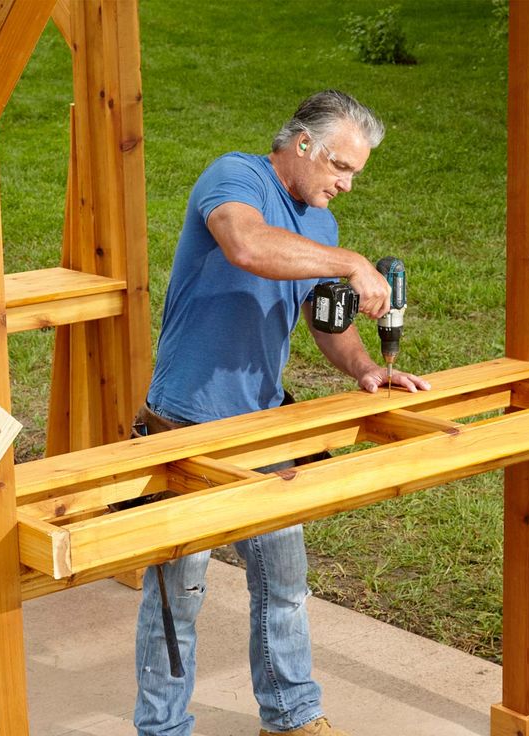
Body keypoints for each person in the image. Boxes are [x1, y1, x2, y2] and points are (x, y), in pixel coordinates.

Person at [133, 89, 431, 736]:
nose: (347, 184)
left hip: (264, 426)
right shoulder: (234, 178)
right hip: (184, 425)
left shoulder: (320, 225)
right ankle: (161, 729)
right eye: (340, 167)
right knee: (175, 595)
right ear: (302, 145)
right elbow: (246, 246)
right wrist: (351, 263)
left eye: (355, 173)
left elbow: (324, 320)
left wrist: (365, 367)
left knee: (285, 584)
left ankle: (291, 716)